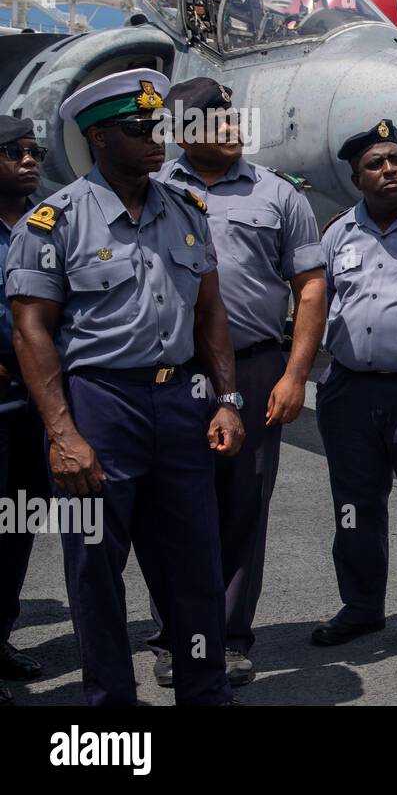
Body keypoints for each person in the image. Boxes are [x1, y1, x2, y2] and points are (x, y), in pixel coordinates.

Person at [4, 69, 245, 706]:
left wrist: (227, 399)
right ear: (100, 139)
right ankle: (110, 710)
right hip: (98, 405)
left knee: (196, 562)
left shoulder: (186, 210)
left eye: (157, 127)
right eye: (139, 130)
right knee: (95, 570)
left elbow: (210, 311)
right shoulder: (53, 222)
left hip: (181, 401)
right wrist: (61, 435)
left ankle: (205, 690)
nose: (156, 140)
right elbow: (32, 334)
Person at [147, 78, 326, 688]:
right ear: (181, 133)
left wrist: (295, 373)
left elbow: (309, 287)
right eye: (212, 119)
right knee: (170, 506)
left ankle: (228, 637)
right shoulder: (152, 193)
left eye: (231, 116)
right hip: (169, 370)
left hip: (252, 366)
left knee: (243, 504)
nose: (229, 125)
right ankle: (177, 635)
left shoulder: (280, 196)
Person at [312, 120, 397, 659]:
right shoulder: (338, 232)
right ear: (356, 178)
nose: (389, 169)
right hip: (349, 390)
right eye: (375, 164)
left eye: (395, 159)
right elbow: (314, 303)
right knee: (354, 503)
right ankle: (362, 605)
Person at [0, 116, 48, 705]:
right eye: (14, 151)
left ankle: (1, 634)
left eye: (34, 151)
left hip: (33, 404)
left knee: (17, 525)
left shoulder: (47, 226)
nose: (29, 159)